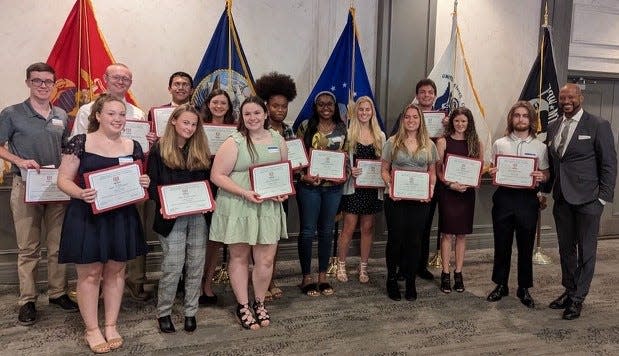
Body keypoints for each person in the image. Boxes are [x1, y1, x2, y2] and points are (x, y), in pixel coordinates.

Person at [57, 94, 150, 353]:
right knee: (90, 274)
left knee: (117, 271)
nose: (117, 119)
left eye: (121, 114)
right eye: (111, 113)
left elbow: (138, 179)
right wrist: (80, 193)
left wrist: (144, 183)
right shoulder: (80, 142)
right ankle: (91, 329)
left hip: (121, 216)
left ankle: (110, 324)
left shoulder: (134, 146)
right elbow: (63, 180)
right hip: (87, 215)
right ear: (97, 115)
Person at [0, 62, 78, 326]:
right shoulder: (11, 113)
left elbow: (68, 147)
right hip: (26, 186)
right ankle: (28, 300)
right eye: (37, 81)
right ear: (28, 83)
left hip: (57, 187)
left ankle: (57, 293)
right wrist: (19, 161)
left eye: (48, 81)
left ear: (54, 84)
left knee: (57, 245)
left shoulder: (61, 114)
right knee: (29, 248)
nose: (43, 86)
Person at [72, 63, 155, 302]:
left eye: (126, 78)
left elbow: (139, 153)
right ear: (105, 78)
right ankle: (94, 288)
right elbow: (77, 149)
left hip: (127, 190)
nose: (121, 81)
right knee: (95, 250)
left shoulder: (138, 114)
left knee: (125, 243)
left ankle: (133, 282)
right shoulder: (87, 109)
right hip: (96, 192)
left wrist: (149, 141)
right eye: (116, 77)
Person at [209, 96, 288, 330]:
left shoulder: (278, 140)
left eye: (256, 113)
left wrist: (282, 192)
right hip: (239, 205)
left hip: (267, 207)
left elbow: (283, 172)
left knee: (265, 259)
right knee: (239, 257)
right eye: (247, 114)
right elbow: (217, 175)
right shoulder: (234, 142)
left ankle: (260, 302)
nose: (252, 118)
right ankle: (243, 305)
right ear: (242, 117)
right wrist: (244, 192)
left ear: (265, 114)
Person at [545, 84, 616, 320]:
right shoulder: (553, 126)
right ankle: (569, 289)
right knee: (566, 250)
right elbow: (556, 165)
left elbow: (609, 165)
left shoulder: (598, 125)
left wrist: (603, 199)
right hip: (562, 199)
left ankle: (578, 299)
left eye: (571, 97)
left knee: (586, 251)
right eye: (563, 97)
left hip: (588, 200)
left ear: (580, 98)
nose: (566, 100)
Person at [148, 104, 211, 333]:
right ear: (174, 121)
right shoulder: (159, 149)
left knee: (195, 265)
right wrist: (164, 203)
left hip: (197, 216)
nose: (190, 128)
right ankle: (163, 312)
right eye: (186, 122)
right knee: (172, 266)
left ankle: (190, 311)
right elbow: (152, 184)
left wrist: (207, 202)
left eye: (194, 124)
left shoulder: (201, 148)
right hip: (170, 217)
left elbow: (208, 184)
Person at [485, 101, 549, 308]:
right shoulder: (500, 143)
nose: (520, 119)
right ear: (511, 119)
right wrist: (492, 171)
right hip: (504, 199)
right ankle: (501, 284)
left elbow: (547, 173)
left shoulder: (540, 147)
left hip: (527, 201)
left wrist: (542, 175)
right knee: (501, 245)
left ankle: (524, 287)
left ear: (531, 120)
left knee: (525, 246)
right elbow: (492, 168)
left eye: (525, 116)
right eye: (517, 115)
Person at [381, 103, 438, 301]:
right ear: (403, 120)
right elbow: (384, 170)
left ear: (420, 120)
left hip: (420, 200)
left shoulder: (429, 144)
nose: (411, 120)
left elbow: (432, 172)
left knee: (415, 241)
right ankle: (391, 280)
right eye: (408, 117)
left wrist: (430, 190)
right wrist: (391, 186)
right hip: (395, 199)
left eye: (415, 117)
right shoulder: (392, 141)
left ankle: (411, 282)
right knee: (395, 240)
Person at [390, 79, 444, 281]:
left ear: (435, 96)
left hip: (430, 179)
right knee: (405, 229)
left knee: (424, 226)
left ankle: (420, 266)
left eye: (430, 92)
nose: (427, 95)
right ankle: (403, 268)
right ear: (417, 94)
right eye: (423, 92)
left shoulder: (443, 119)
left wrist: (445, 129)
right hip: (404, 183)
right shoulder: (407, 116)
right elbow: (395, 140)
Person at [147, 71, 194, 297]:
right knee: (172, 256)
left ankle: (186, 288)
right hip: (168, 199)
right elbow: (153, 178)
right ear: (170, 88)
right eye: (177, 83)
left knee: (194, 254)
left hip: (193, 200)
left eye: (186, 84)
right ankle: (168, 294)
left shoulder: (198, 118)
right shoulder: (155, 114)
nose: (181, 87)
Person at [296, 91, 347, 297]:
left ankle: (323, 276)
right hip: (309, 188)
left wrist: (344, 175)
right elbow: (296, 156)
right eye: (321, 104)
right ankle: (306, 276)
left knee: (327, 232)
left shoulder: (343, 128)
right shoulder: (305, 126)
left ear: (335, 107)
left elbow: (348, 158)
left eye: (330, 104)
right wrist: (303, 176)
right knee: (308, 231)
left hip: (333, 189)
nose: (326, 108)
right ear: (315, 107)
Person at [254, 71, 297, 300]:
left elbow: (294, 159)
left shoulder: (289, 130)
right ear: (267, 106)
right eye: (275, 106)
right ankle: (259, 281)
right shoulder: (257, 128)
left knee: (275, 238)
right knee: (258, 237)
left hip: (282, 192)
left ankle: (271, 279)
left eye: (284, 106)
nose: (280, 110)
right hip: (260, 191)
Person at [336, 96, 385, 283]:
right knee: (348, 227)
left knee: (368, 228)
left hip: (372, 189)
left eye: (368, 109)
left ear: (372, 112)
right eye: (361, 109)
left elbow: (385, 163)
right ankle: (341, 265)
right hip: (353, 189)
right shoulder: (348, 134)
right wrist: (349, 170)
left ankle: (363, 268)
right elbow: (340, 161)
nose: (364, 113)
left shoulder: (380, 136)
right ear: (355, 112)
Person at [435, 107, 482, 293]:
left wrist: (469, 184)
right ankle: (445, 273)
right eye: (457, 121)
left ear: (469, 123)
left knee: (461, 235)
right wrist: (449, 184)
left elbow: (478, 169)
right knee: (446, 234)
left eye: (464, 121)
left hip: (467, 194)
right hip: (448, 192)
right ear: (451, 122)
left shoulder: (476, 143)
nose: (460, 124)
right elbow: (438, 169)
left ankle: (458, 273)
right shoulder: (442, 142)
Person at [198, 88, 236, 306]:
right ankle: (194, 282)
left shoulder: (236, 130)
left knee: (215, 239)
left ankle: (207, 284)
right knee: (198, 239)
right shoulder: (198, 126)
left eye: (223, 103)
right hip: (202, 184)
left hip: (224, 185)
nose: (219, 106)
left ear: (229, 107)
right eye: (215, 102)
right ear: (208, 104)